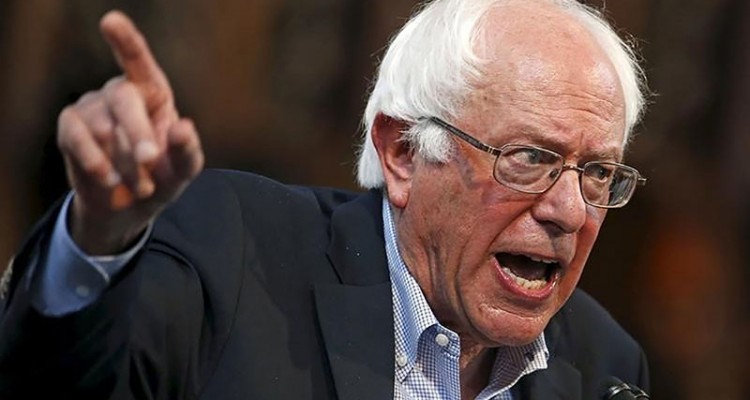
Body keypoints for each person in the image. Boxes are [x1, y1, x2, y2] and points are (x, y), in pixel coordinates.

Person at [0, 0, 651, 398]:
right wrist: (92, 244)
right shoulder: (234, 258)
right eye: (530, 160)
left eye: (597, 173)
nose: (569, 210)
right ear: (402, 154)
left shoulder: (602, 364)